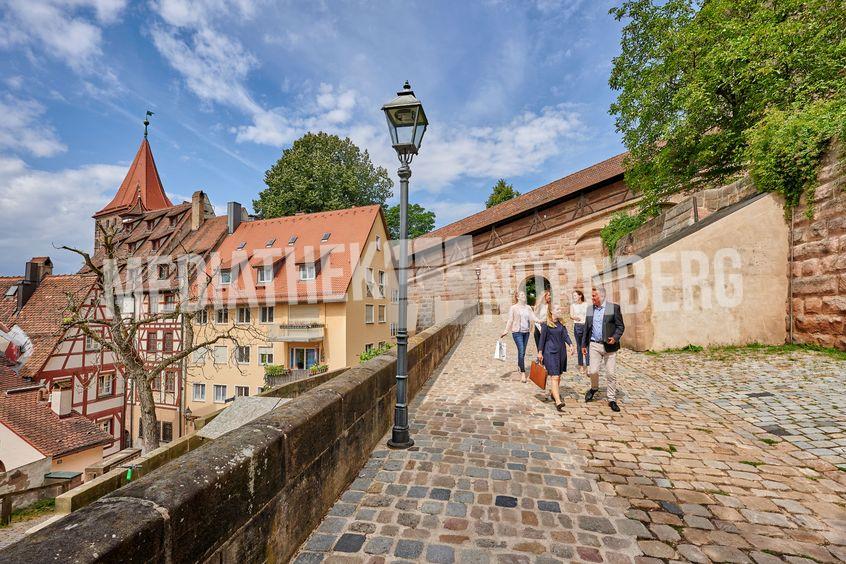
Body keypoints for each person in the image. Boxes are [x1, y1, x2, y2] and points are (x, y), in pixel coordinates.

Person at [580, 286, 625, 412]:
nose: (592, 298)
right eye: (592, 296)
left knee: (611, 373)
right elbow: (586, 328)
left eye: (594, 296)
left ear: (602, 296)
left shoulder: (613, 308)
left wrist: (615, 337)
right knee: (593, 371)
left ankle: (611, 399)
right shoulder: (590, 309)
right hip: (594, 345)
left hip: (610, 347)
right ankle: (594, 388)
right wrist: (583, 345)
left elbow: (620, 326)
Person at [537, 304, 573, 411]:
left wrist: (571, 345)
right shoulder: (546, 324)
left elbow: (565, 335)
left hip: (561, 352)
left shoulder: (561, 323)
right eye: (557, 309)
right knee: (554, 376)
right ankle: (558, 401)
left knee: (559, 375)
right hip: (550, 353)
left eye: (559, 308)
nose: (560, 310)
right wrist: (540, 352)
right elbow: (542, 339)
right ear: (551, 311)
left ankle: (554, 393)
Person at [501, 291, 537, 383]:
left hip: (526, 333)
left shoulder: (528, 308)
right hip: (517, 333)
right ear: (517, 297)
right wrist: (506, 330)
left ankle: (519, 365)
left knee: (523, 352)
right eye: (521, 295)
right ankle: (523, 373)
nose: (524, 296)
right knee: (521, 351)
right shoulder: (513, 308)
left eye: (524, 294)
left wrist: (541, 321)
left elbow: (533, 317)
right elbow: (510, 320)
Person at [570, 290, 588, 377]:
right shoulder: (573, 305)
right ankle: (581, 365)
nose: (574, 297)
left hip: (586, 326)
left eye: (575, 295)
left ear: (580, 296)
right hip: (577, 326)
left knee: (587, 346)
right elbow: (571, 315)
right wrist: (574, 317)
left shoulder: (586, 304)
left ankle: (588, 366)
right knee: (579, 346)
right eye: (573, 296)